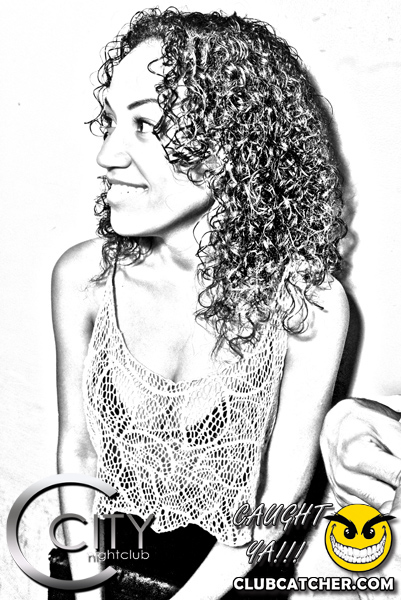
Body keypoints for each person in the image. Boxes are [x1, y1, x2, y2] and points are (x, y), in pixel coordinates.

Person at [51, 8, 349, 599]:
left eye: (146, 124)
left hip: (229, 581)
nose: (106, 155)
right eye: (111, 121)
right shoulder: (84, 277)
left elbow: (277, 506)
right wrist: (82, 585)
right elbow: (78, 456)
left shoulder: (307, 305)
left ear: (235, 143)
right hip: (99, 568)